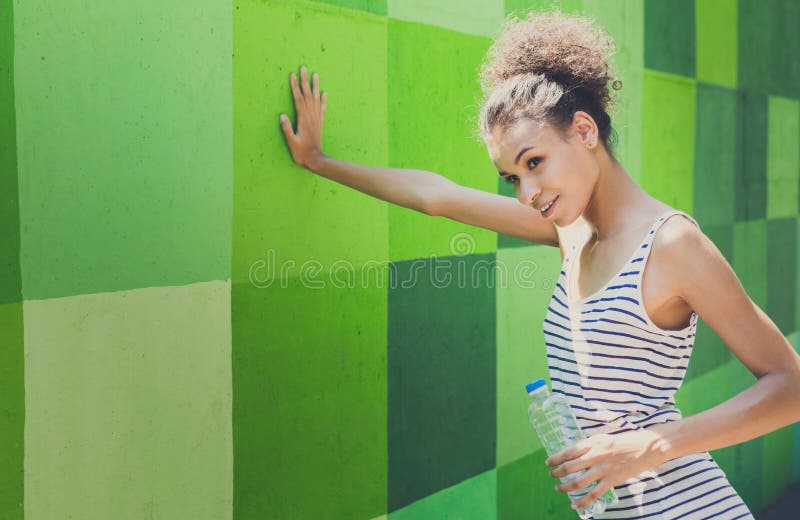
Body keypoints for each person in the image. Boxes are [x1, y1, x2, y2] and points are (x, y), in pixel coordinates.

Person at [278, 8, 800, 519]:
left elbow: (789, 388)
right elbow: (437, 196)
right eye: (512, 178)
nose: (527, 192)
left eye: (534, 163)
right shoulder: (572, 234)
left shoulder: (672, 243)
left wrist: (648, 445)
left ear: (584, 131)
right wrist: (320, 162)